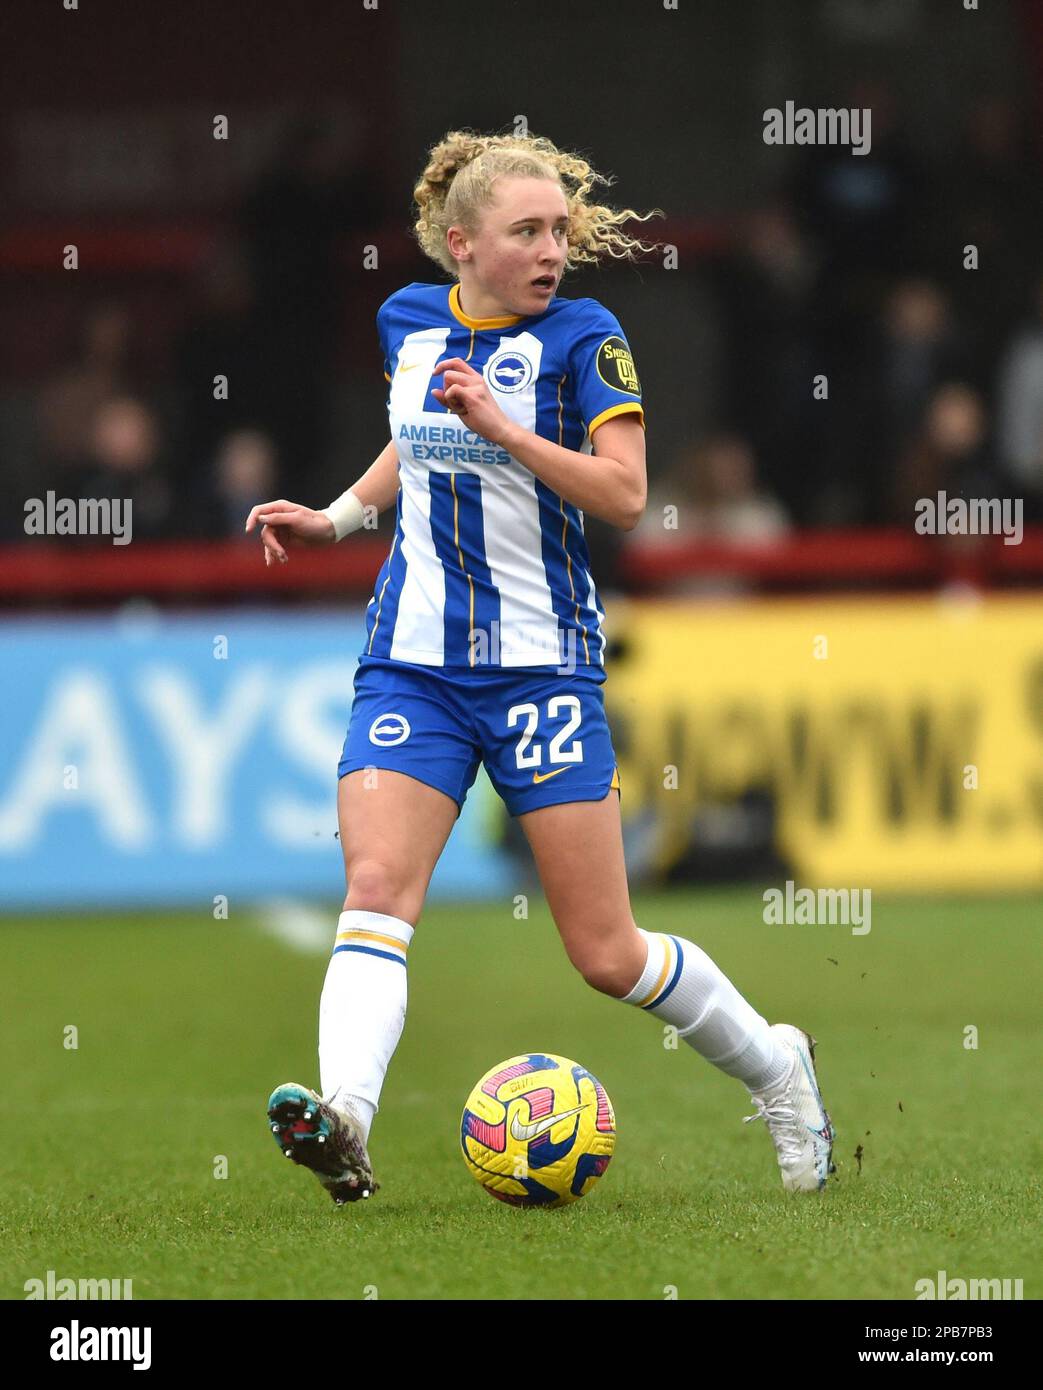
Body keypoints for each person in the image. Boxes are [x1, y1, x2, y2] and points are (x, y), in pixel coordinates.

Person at [244, 129, 835, 1205]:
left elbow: (624, 494)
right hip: (413, 663)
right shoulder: (407, 318)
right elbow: (411, 435)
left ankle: (776, 1068)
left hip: (542, 672)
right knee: (375, 890)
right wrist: (336, 516)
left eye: (559, 229)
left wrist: (504, 429)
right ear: (461, 243)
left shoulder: (585, 337)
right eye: (527, 231)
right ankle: (347, 1123)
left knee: (605, 954)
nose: (552, 249)